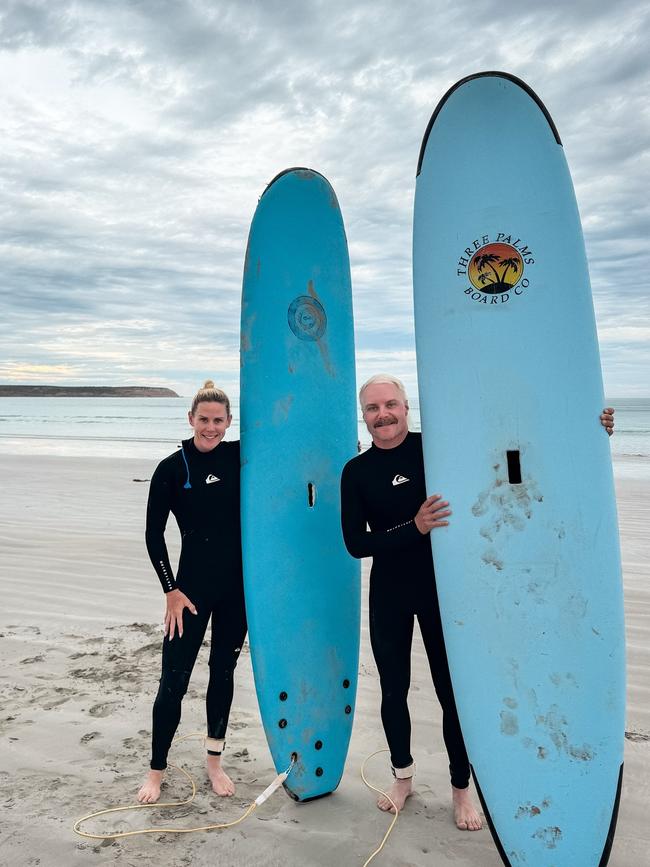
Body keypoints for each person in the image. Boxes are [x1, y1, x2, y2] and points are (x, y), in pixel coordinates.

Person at [340, 374, 615, 829]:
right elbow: (355, 543)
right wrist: (414, 528)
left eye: (391, 404)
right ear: (364, 415)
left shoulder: (440, 449)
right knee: (393, 690)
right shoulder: (356, 472)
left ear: (407, 407)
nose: (382, 414)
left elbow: (513, 451)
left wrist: (590, 428)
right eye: (373, 408)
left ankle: (460, 789)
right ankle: (403, 777)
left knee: (454, 693)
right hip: (389, 592)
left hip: (445, 590)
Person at [137, 381, 246, 804]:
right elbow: (153, 534)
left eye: (219, 420)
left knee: (223, 674)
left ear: (229, 422)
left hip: (237, 592)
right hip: (190, 592)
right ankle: (156, 770)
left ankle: (214, 763)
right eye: (204, 419)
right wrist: (171, 590)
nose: (211, 427)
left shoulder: (241, 457)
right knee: (173, 682)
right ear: (191, 419)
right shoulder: (171, 468)